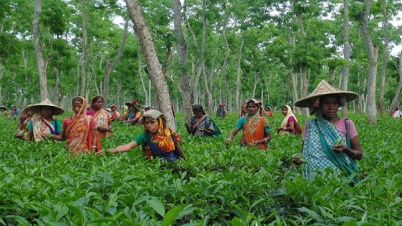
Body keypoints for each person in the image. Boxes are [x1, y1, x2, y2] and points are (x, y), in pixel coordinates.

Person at [293, 80, 362, 180]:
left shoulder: (347, 124)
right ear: (319, 105)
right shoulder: (311, 125)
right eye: (326, 103)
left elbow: (359, 155)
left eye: (335, 103)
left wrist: (346, 150)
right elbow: (304, 153)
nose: (331, 107)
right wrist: (299, 159)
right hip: (316, 177)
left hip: (341, 178)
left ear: (339, 105)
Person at [101, 110, 185, 161]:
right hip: (154, 168)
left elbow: (177, 147)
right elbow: (128, 146)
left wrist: (185, 160)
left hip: (173, 164)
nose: (149, 125)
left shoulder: (170, 132)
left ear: (160, 122)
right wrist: (107, 151)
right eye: (146, 123)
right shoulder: (145, 136)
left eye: (152, 122)